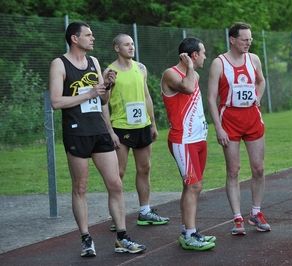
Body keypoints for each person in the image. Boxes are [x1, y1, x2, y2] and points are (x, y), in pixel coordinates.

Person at [49, 21, 146, 257]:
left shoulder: (93, 62)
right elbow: (55, 102)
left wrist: (107, 87)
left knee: (115, 184)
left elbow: (102, 101)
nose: (93, 38)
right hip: (77, 132)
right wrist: (90, 92)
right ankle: (86, 239)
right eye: (88, 35)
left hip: (100, 131)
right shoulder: (59, 64)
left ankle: (122, 237)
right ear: (74, 38)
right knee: (80, 187)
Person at [207, 22, 270, 235]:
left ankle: (256, 212)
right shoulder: (219, 63)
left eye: (250, 39)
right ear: (232, 40)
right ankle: (237, 218)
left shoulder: (254, 59)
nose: (248, 43)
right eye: (244, 39)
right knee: (233, 170)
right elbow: (210, 97)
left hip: (252, 117)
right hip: (230, 119)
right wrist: (218, 128)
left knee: (259, 168)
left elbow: (261, 81)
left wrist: (257, 98)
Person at [102, 33, 169, 231]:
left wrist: (153, 123)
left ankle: (145, 211)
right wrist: (110, 131)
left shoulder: (141, 68)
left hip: (142, 125)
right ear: (117, 48)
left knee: (144, 168)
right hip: (121, 127)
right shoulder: (110, 72)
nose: (131, 47)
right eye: (126, 45)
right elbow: (104, 103)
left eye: (132, 44)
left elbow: (147, 95)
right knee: (118, 173)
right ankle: (117, 216)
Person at [161, 37, 216, 251]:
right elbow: (187, 88)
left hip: (198, 139)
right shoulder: (171, 73)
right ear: (193, 56)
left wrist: (192, 69)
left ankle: (188, 231)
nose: (205, 56)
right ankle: (191, 235)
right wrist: (190, 68)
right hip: (182, 140)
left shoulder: (194, 75)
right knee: (194, 185)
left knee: (191, 185)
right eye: (202, 53)